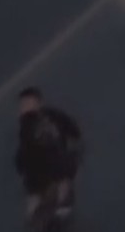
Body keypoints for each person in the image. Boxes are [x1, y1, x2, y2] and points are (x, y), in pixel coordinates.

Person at [14, 88, 82, 224]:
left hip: (56, 162)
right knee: (34, 191)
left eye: (28, 103)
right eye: (23, 104)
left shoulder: (52, 117)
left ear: (38, 103)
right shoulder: (26, 126)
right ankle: (35, 216)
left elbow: (73, 130)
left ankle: (63, 200)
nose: (25, 107)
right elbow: (24, 150)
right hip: (38, 169)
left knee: (62, 175)